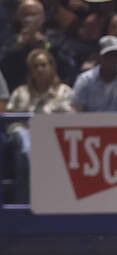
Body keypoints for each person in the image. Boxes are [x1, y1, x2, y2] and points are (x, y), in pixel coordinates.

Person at [6, 49, 73, 203]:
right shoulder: (19, 93)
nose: (40, 69)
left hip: (56, 138)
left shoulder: (64, 92)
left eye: (43, 65)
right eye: (35, 66)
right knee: (23, 143)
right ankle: (22, 208)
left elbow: (72, 121)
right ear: (31, 71)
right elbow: (9, 123)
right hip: (25, 137)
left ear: (52, 67)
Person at [2, 0, 77, 88]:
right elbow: (4, 66)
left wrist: (45, 45)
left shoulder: (54, 36)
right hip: (20, 88)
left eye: (34, 14)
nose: (29, 18)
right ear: (19, 18)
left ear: (43, 17)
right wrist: (18, 46)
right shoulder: (12, 39)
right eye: (26, 15)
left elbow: (66, 63)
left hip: (52, 87)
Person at [70, 34, 117, 110]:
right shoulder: (85, 80)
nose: (113, 59)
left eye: (116, 55)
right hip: (92, 123)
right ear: (98, 57)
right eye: (108, 55)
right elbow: (75, 111)